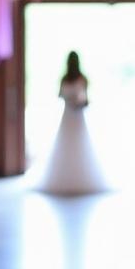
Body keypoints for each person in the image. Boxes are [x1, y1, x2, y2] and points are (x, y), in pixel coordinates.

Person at [35, 51, 109, 195]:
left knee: (73, 145)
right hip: (73, 115)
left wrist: (74, 100)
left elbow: (68, 97)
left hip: (72, 115)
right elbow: (75, 98)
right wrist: (74, 100)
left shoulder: (68, 79)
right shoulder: (79, 79)